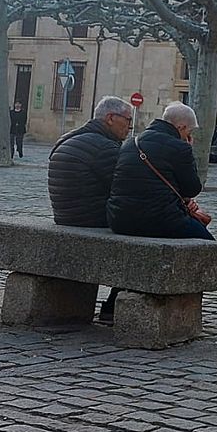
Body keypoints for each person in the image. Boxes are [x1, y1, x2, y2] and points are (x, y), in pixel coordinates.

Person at [49, 96, 134, 320]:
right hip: (90, 218)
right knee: (147, 230)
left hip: (66, 216)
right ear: (110, 118)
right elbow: (127, 188)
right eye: (127, 120)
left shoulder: (71, 138)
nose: (130, 127)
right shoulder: (104, 148)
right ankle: (114, 305)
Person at [108, 101, 213, 240]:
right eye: (189, 131)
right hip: (160, 220)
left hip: (119, 219)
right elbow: (192, 189)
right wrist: (188, 151)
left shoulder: (131, 143)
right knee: (209, 243)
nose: (189, 136)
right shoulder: (180, 148)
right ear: (181, 127)